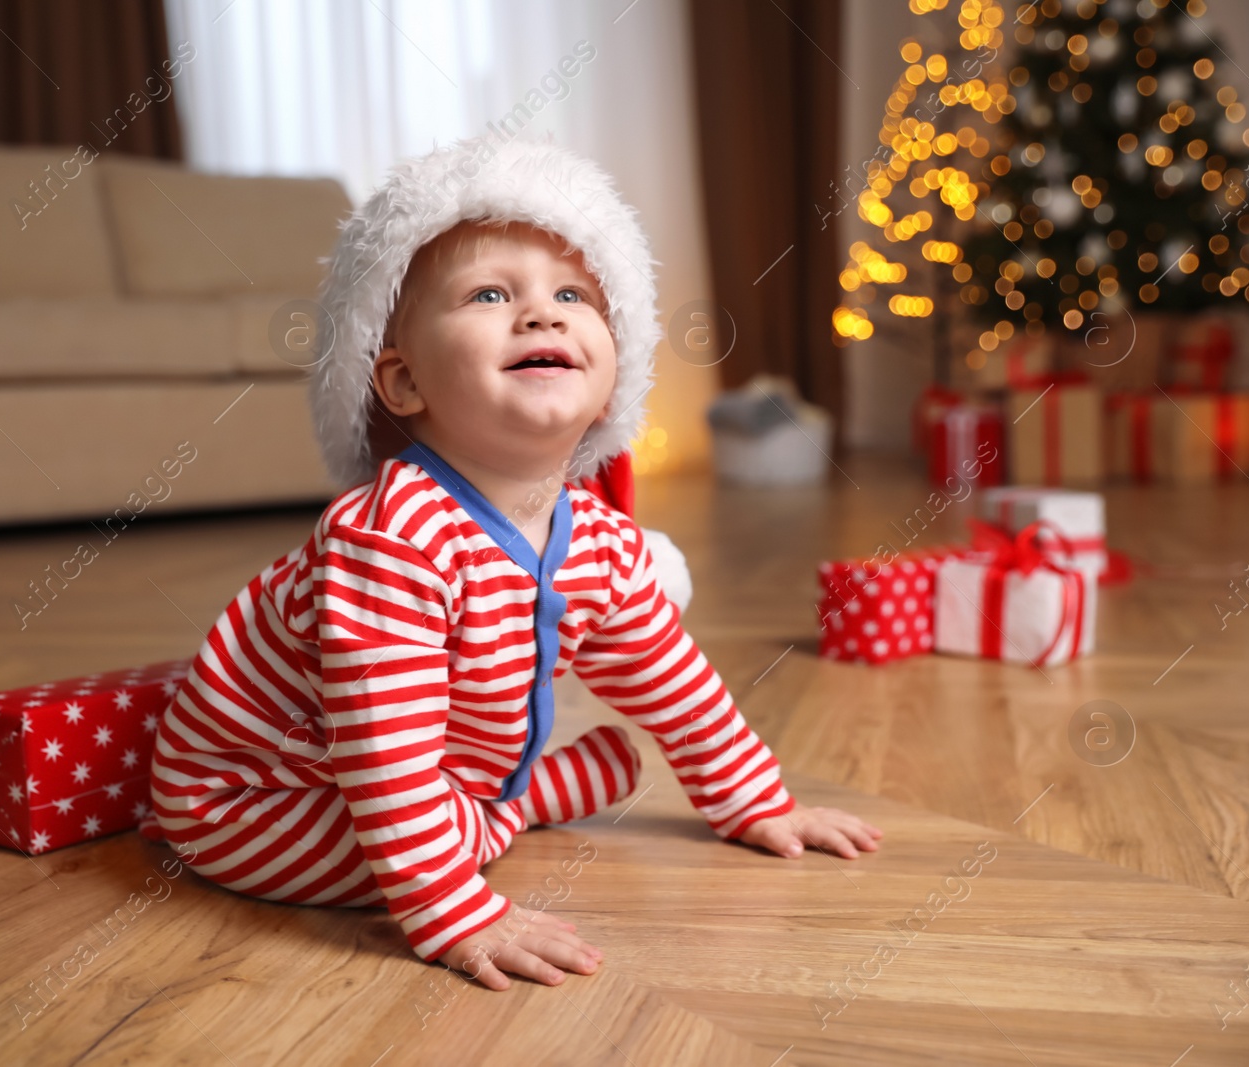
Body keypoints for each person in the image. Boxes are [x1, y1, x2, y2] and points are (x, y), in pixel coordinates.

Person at [145, 134, 882, 992]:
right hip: (256, 798)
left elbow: (677, 686)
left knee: (442, 816)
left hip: (424, 778)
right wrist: (459, 914)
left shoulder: (598, 541)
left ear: (612, 382)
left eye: (572, 294)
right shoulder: (390, 540)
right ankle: (514, 809)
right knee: (420, 842)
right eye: (490, 294)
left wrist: (756, 800)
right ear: (403, 381)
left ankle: (499, 807)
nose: (542, 314)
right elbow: (383, 759)